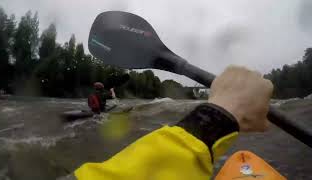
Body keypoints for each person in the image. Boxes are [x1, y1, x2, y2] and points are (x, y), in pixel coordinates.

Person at [76, 66, 273, 180]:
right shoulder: (99, 94)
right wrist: (214, 119)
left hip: (96, 113)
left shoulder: (97, 93)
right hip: (98, 112)